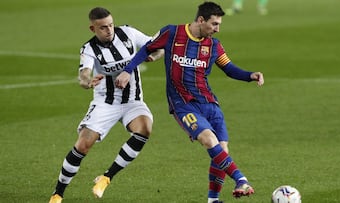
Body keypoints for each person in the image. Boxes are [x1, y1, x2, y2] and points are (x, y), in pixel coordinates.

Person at [115, 2, 264, 203]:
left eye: (219, 24)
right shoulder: (172, 33)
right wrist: (127, 70)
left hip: (210, 103)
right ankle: (241, 180)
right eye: (214, 24)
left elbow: (229, 69)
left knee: (221, 150)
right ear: (201, 20)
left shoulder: (214, 45)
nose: (217, 29)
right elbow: (146, 49)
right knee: (208, 140)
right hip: (183, 103)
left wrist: (250, 75)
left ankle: (213, 200)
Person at [49, 7, 163, 203]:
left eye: (110, 25)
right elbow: (84, 74)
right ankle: (58, 193)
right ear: (93, 28)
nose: (109, 30)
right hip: (105, 103)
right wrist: (87, 81)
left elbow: (157, 46)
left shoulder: (128, 33)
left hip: (133, 101)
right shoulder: (89, 49)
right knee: (83, 144)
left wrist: (155, 55)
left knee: (144, 128)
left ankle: (106, 178)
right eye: (103, 27)